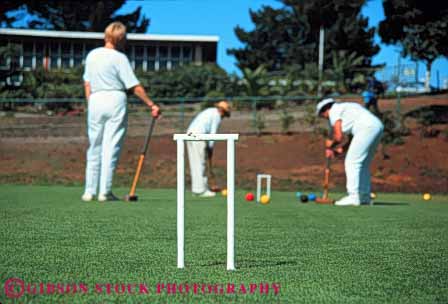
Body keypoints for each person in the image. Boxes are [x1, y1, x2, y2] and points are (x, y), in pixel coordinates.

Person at [82, 22, 160, 202]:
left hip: (95, 100)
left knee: (94, 146)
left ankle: (89, 191)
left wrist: (91, 102)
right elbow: (133, 86)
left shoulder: (92, 55)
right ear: (121, 38)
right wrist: (151, 104)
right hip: (115, 99)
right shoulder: (120, 58)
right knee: (111, 146)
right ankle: (105, 192)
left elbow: (87, 83)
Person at [316, 98, 384, 206]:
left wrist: (330, 145)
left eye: (323, 116)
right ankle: (364, 197)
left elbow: (338, 137)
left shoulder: (334, 111)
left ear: (325, 110)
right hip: (377, 126)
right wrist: (339, 150)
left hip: (366, 129)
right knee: (363, 164)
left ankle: (353, 197)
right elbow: (353, 138)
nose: (326, 118)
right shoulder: (346, 108)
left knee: (352, 162)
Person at [186, 101, 231, 197]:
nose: (223, 117)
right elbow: (212, 134)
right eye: (225, 114)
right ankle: (201, 190)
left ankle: (197, 189)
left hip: (189, 134)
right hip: (199, 135)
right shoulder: (217, 116)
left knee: (195, 162)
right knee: (200, 162)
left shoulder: (210, 111)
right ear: (222, 111)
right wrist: (210, 148)